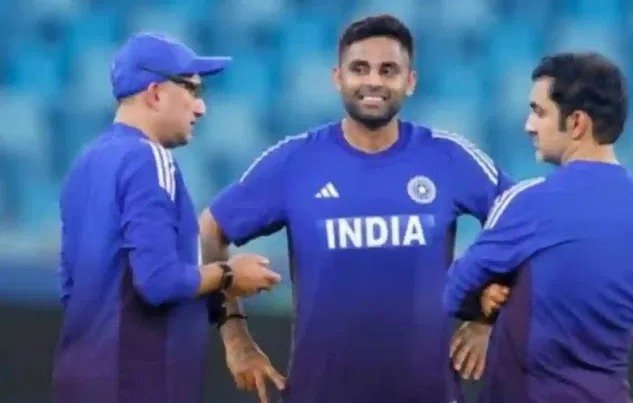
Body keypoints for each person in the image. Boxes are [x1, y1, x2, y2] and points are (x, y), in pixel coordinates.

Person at [199, 15, 514, 403]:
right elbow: (210, 230)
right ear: (338, 78)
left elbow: (527, 223)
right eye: (359, 69)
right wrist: (235, 338)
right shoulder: (295, 161)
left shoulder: (448, 157)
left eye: (388, 70)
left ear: (410, 81)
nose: (374, 81)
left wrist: (486, 320)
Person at [52, 32, 282, 403]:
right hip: (139, 383)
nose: (200, 108)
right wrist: (229, 274)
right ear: (156, 93)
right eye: (192, 89)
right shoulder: (148, 158)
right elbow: (158, 282)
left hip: (79, 381)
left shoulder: (85, 162)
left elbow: (70, 287)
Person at [443, 52, 633, 402]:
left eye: (539, 112)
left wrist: (483, 308)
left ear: (576, 123)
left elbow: (453, 291)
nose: (529, 125)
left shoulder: (531, 201)